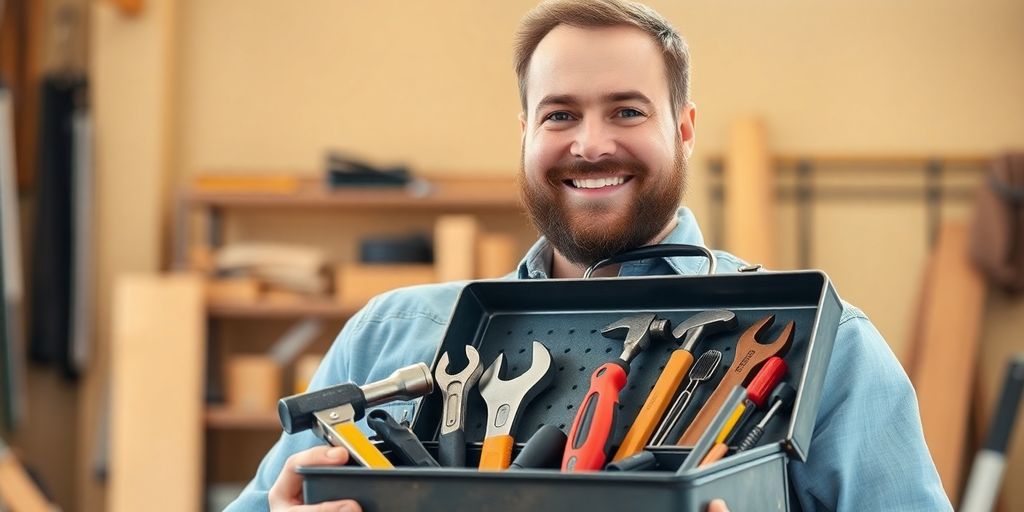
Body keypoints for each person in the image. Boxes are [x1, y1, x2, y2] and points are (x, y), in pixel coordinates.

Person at [226, 1, 952, 511]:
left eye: (627, 110)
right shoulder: (389, 333)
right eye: (560, 114)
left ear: (686, 129)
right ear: (523, 133)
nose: (592, 143)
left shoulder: (829, 345)